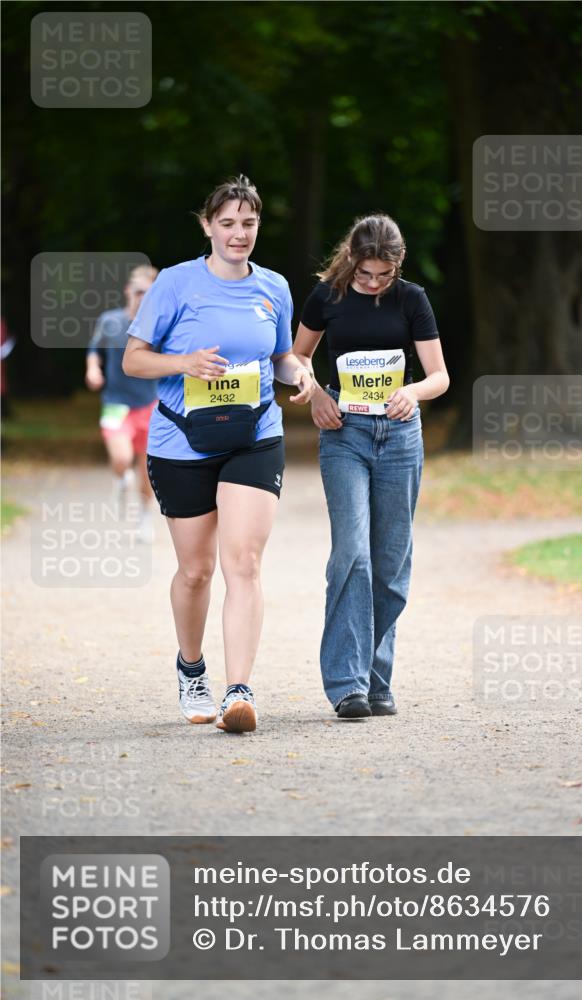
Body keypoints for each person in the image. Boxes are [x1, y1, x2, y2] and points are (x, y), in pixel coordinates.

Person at [122, 175, 314, 732]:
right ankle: (191, 670)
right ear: (207, 225)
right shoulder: (176, 285)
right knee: (197, 570)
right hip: (182, 441)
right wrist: (183, 363)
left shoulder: (274, 287)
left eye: (248, 224)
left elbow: (279, 356)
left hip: (255, 434)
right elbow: (135, 360)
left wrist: (298, 373)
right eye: (227, 223)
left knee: (244, 563)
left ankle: (238, 691)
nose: (238, 234)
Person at [293, 214, 449, 719]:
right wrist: (314, 392)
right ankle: (346, 684)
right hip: (345, 434)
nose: (374, 283)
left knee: (390, 564)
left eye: (384, 275)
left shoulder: (412, 299)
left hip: (400, 436)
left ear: (397, 266)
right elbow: (295, 358)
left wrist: (413, 391)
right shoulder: (327, 297)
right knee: (353, 555)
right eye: (366, 274)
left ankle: (378, 679)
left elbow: (440, 376)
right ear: (351, 260)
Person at [85, 265, 159, 542]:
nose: (142, 298)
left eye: (149, 294)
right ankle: (120, 478)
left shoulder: (158, 326)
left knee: (147, 471)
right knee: (121, 458)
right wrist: (93, 369)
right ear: (128, 291)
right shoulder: (110, 321)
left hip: (150, 405)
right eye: (139, 292)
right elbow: (94, 350)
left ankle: (144, 517)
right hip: (116, 403)